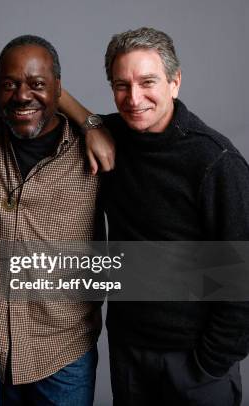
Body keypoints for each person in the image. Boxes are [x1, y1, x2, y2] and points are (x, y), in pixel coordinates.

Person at [61, 27, 249, 405]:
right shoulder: (115, 135)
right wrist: (92, 123)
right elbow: (45, 87)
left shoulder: (215, 161)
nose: (133, 99)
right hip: (130, 354)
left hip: (196, 364)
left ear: (174, 82)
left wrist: (209, 363)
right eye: (121, 85)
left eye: (148, 82)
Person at [0, 35, 105, 406]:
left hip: (64, 353)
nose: (22, 95)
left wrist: (92, 123)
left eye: (37, 84)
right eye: (10, 84)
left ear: (59, 89)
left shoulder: (93, 151)